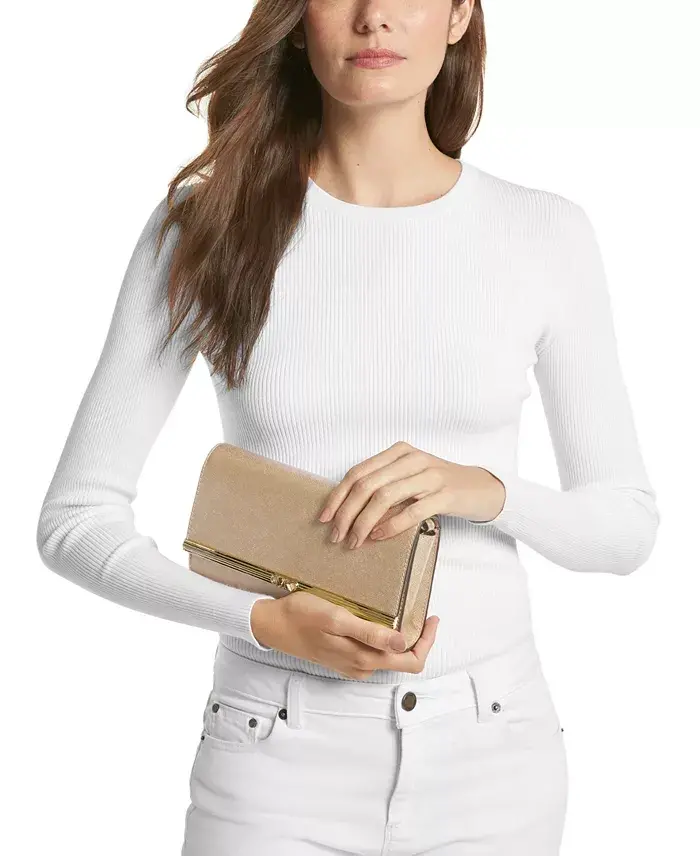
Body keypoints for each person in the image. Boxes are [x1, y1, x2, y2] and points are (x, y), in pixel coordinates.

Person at [36, 1, 660, 854]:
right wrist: (261, 623)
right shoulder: (206, 225)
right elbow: (75, 521)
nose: (374, 18)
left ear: (459, 14)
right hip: (273, 751)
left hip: (493, 757)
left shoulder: (543, 231)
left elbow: (625, 528)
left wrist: (481, 490)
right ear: (298, 18)